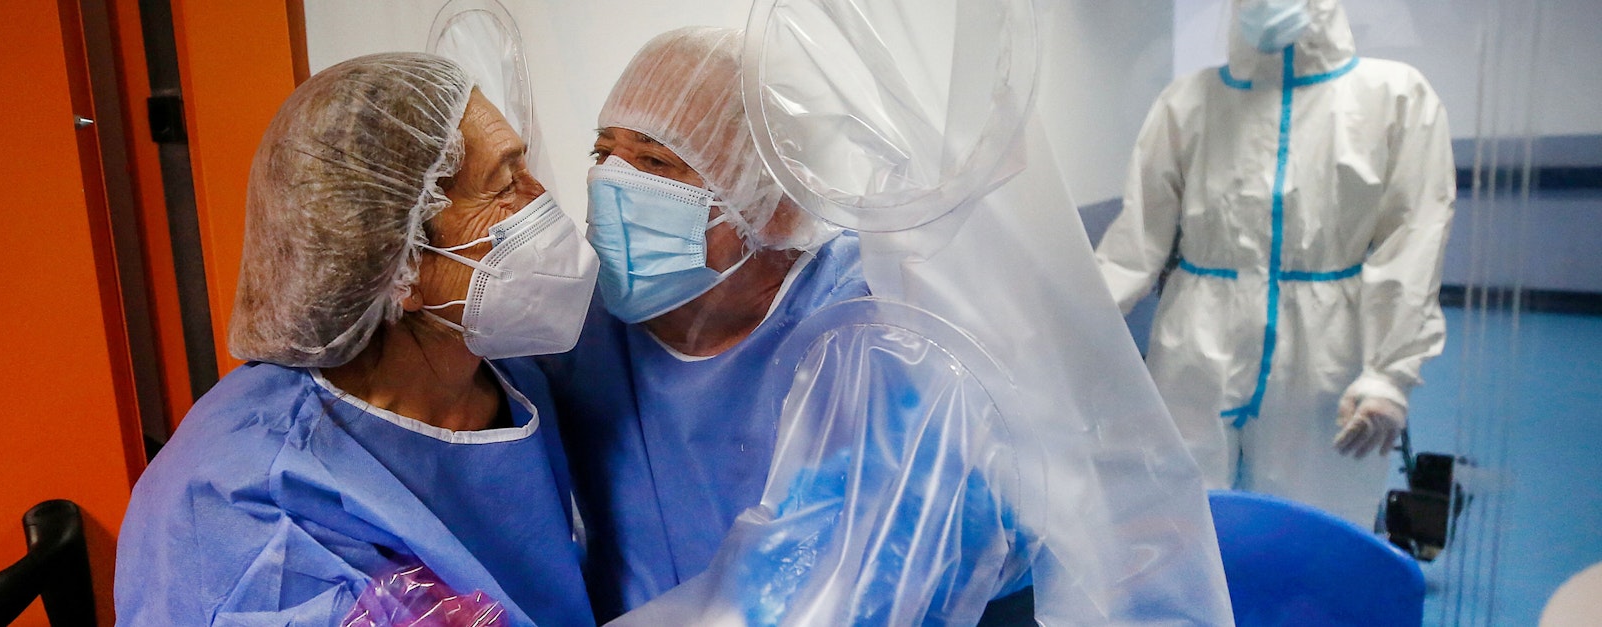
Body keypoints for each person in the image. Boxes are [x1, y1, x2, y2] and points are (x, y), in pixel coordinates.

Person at [532, 26, 1035, 625]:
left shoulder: (874, 331)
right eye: (602, 154)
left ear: (775, 200)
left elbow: (872, 580)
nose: (610, 183)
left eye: (655, 161)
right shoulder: (581, 330)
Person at [114, 52, 599, 627]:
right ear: (401, 261)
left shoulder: (509, 377)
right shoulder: (251, 507)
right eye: (505, 184)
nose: (540, 201)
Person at [1095, 0, 1455, 528]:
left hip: (1327, 350)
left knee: (1317, 523)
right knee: (1180, 517)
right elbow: (1133, 245)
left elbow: (1414, 239)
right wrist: (1066, 335)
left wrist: (1390, 373)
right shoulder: (1188, 101)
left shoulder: (1394, 96)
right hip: (1197, 340)